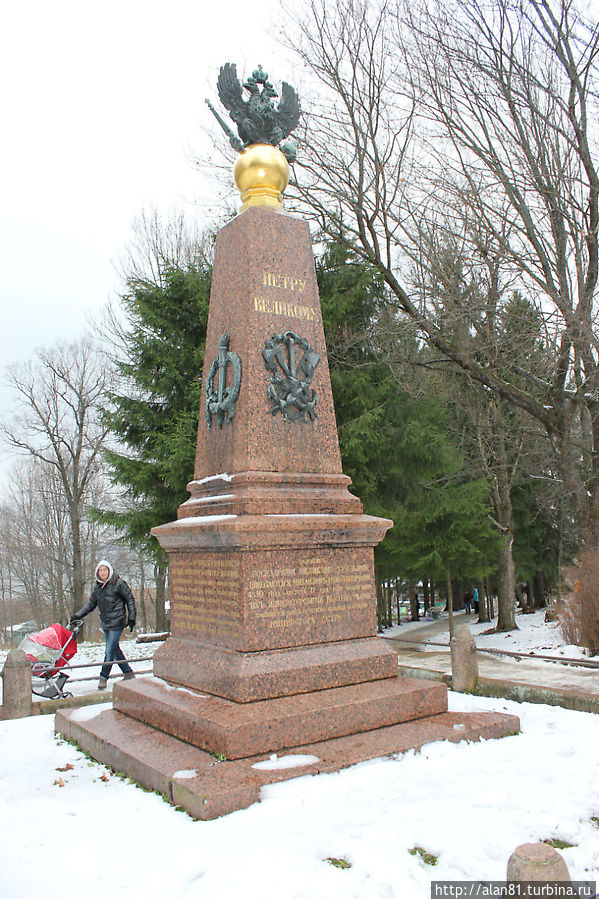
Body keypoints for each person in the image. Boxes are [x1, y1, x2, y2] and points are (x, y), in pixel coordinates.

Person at [70, 559, 137, 690]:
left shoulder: (118, 583)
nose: (103, 572)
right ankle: (128, 672)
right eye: (100, 570)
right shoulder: (98, 587)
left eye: (105, 570)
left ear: (109, 571)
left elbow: (130, 600)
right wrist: (78, 615)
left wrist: (132, 617)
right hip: (105, 623)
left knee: (109, 652)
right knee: (114, 649)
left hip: (117, 621)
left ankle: (103, 677)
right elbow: (91, 604)